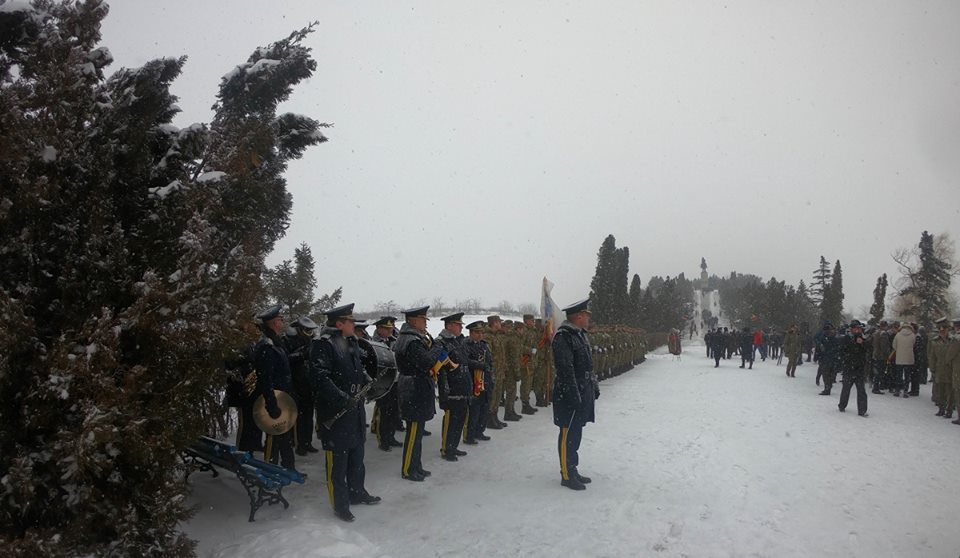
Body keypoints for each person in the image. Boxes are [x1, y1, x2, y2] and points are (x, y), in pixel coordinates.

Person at [308, 303, 379, 522]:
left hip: (354, 410)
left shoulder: (351, 341)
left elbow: (357, 369)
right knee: (337, 464)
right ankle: (340, 505)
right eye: (350, 321)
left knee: (357, 457)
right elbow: (320, 378)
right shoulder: (323, 344)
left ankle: (357, 492)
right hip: (335, 413)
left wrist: (366, 378)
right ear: (339, 324)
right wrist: (342, 397)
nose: (354, 324)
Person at [393, 305, 446, 481]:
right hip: (413, 389)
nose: (425, 323)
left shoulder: (412, 338)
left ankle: (416, 466)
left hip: (415, 387)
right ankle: (408, 469)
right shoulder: (412, 341)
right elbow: (427, 362)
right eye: (423, 320)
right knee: (414, 433)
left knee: (417, 432)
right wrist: (438, 347)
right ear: (413, 321)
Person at [552, 298, 599, 491]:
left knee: (576, 432)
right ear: (579, 316)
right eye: (586, 315)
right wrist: (573, 395)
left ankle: (573, 468)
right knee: (567, 433)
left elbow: (587, 365)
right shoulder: (564, 337)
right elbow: (566, 370)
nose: (588, 319)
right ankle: (566, 474)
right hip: (569, 393)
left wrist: (593, 385)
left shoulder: (579, 335)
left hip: (582, 389)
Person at [252, 304, 296, 471]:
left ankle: (288, 466)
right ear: (274, 323)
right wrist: (271, 404)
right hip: (274, 398)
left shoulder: (276, 342)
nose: (282, 322)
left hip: (283, 396)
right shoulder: (267, 346)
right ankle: (269, 469)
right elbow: (266, 378)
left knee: (285, 435)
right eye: (280, 319)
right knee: (273, 436)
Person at [435, 312, 478, 461]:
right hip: (452, 388)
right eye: (458, 325)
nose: (461, 328)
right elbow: (440, 369)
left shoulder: (458, 341)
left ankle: (454, 446)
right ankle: (446, 449)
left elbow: (464, 362)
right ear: (450, 326)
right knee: (451, 421)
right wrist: (445, 390)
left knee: (460, 419)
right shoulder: (441, 342)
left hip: (463, 386)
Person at [287, 317, 320, 456]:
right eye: (307, 330)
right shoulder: (289, 340)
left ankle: (307, 442)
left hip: (308, 384)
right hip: (296, 384)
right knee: (299, 417)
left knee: (308, 416)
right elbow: (286, 359)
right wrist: (301, 355)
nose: (309, 332)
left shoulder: (311, 341)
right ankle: (299, 444)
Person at [370, 316, 403, 452]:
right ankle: (383, 440)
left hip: (394, 380)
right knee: (384, 412)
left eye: (391, 328)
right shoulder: (373, 343)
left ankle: (391, 436)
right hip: (382, 382)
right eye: (387, 329)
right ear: (379, 329)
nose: (390, 331)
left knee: (393, 411)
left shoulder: (393, 340)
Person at [463, 320, 492, 444]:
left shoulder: (484, 345)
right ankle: (469, 435)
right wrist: (479, 365)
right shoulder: (466, 344)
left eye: (481, 332)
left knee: (484, 408)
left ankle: (479, 431)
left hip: (485, 380)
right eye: (477, 332)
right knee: (473, 410)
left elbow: (489, 361)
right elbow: (465, 361)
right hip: (473, 380)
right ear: (471, 333)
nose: (480, 335)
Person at [837, 320, 871, 416]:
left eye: (859, 328)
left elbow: (868, 348)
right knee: (846, 389)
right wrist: (846, 360)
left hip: (859, 368)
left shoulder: (862, 337)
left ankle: (862, 410)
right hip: (849, 368)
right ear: (851, 329)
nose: (858, 330)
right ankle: (842, 405)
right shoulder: (846, 338)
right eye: (856, 328)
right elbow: (841, 352)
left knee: (861, 390)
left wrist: (862, 343)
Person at [928, 318, 956, 418]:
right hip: (939, 369)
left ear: (948, 330)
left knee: (950, 391)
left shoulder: (953, 340)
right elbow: (932, 356)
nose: (942, 332)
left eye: (944, 330)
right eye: (940, 331)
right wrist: (932, 368)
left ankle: (949, 410)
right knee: (940, 391)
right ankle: (941, 408)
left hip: (950, 369)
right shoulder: (934, 341)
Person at [890, 321, 916, 398]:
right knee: (907, 376)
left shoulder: (898, 335)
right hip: (909, 358)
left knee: (899, 375)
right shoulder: (912, 335)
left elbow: (894, 346)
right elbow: (914, 344)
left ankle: (897, 390)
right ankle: (906, 391)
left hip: (899, 358)